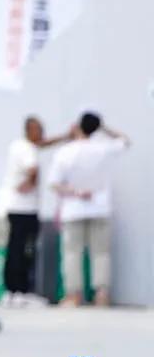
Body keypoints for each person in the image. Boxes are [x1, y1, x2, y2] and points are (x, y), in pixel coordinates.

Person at [48, 112, 131, 307]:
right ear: (96, 128)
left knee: (72, 253)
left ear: (78, 126)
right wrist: (103, 127)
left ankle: (73, 295)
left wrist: (76, 192)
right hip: (100, 208)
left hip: (73, 209)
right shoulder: (103, 148)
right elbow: (125, 141)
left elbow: (54, 184)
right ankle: (101, 294)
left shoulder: (65, 152)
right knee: (101, 253)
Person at [0, 116, 68, 306]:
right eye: (39, 130)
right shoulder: (28, 150)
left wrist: (64, 137)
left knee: (14, 247)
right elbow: (33, 169)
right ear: (30, 130)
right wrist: (30, 183)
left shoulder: (18, 145)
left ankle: (11, 291)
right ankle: (22, 290)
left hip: (13, 207)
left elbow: (43, 144)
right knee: (25, 250)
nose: (42, 134)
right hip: (26, 209)